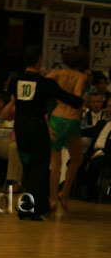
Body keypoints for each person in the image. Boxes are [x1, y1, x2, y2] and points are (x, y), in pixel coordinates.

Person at [7, 46, 83, 221]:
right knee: (39, 167)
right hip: (37, 126)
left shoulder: (15, 81)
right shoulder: (44, 83)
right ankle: (28, 208)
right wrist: (80, 101)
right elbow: (67, 98)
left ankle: (39, 206)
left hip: (20, 126)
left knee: (28, 166)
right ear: (40, 59)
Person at [47, 46, 89, 212]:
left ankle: (52, 200)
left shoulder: (57, 74)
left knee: (55, 163)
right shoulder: (81, 76)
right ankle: (64, 193)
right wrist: (82, 100)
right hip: (71, 120)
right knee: (77, 158)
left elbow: (42, 82)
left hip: (56, 117)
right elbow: (76, 96)